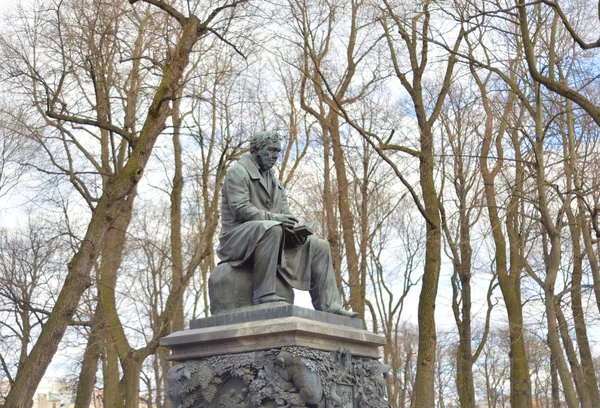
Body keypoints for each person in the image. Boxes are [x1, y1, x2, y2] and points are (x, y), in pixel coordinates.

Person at [216, 131, 358, 317]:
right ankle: (264, 294)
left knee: (319, 246)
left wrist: (295, 231)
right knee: (271, 228)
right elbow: (241, 209)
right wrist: (275, 220)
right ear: (257, 150)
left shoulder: (275, 181)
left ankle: (328, 304)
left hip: (272, 234)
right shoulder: (238, 172)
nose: (275, 156)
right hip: (237, 238)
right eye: (271, 150)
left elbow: (285, 215)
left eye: (278, 151)